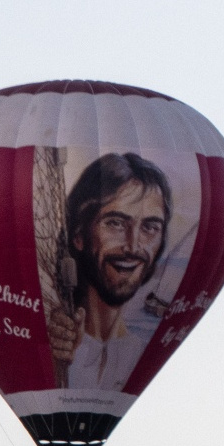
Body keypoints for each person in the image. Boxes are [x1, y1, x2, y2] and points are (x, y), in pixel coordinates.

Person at [46, 153, 171, 390]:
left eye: (150, 227)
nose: (133, 246)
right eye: (115, 223)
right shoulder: (48, 343)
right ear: (79, 235)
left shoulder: (141, 351)